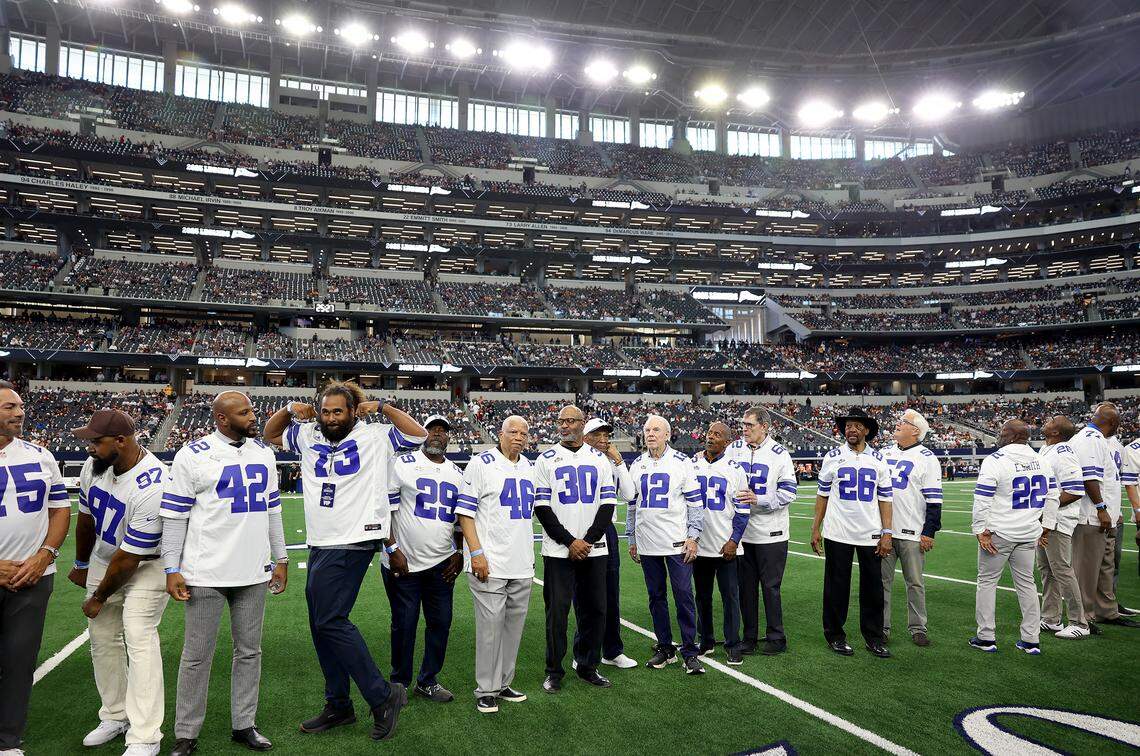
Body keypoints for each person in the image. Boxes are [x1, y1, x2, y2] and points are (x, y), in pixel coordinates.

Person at [264, 381, 427, 741]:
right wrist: (292, 408)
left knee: (331, 620)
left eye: (339, 411)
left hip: (355, 535)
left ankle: (383, 696)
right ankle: (338, 703)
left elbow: (418, 435)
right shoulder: (309, 434)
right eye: (325, 411)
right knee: (321, 624)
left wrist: (382, 406)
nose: (331, 418)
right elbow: (270, 432)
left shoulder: (376, 434)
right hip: (322, 538)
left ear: (354, 411)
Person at [161, 391, 289, 756]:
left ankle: (243, 724)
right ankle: (186, 734)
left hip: (252, 570)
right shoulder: (193, 454)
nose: (253, 417)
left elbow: (273, 511)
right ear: (221, 418)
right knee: (196, 655)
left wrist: (280, 558)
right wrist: (172, 567)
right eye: (244, 412)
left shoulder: (263, 453)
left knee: (250, 651)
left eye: (251, 409)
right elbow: (175, 516)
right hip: (206, 572)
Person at [71, 409, 169, 756]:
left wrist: (98, 596)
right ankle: (115, 715)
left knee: (139, 636)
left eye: (97, 441)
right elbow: (85, 520)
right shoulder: (94, 466)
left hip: (145, 565)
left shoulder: (154, 482)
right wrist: (82, 562)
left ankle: (145, 736)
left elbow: (130, 559)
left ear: (122, 441)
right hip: (104, 558)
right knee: (101, 638)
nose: (90, 448)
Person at [0, 381, 70, 755]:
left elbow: (59, 509)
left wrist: (46, 554)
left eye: (20, 406)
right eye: (9, 407)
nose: (19, 413)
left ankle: (8, 741)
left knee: (19, 660)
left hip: (33, 576)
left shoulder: (41, 455)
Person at [533, 406, 617, 693]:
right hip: (559, 550)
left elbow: (608, 505)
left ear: (583, 424)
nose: (566, 425)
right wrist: (570, 541)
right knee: (557, 612)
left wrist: (588, 541)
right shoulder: (545, 459)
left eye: (571, 421)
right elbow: (541, 507)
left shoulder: (599, 459)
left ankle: (587, 665)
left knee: (595, 610)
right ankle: (554, 670)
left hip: (595, 549)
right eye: (561, 421)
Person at [455, 416, 535, 714]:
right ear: (500, 434)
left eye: (523, 433)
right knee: (490, 629)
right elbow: (465, 513)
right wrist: (476, 553)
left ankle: (503, 683)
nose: (518, 436)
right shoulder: (481, 463)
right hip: (489, 562)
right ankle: (485, 689)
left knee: (513, 629)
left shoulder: (529, 466)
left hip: (521, 562)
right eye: (513, 431)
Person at [382, 414, 464, 704]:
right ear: (422, 434)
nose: (437, 435)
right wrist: (392, 549)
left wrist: (459, 551)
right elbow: (383, 510)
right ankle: (399, 682)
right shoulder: (402, 464)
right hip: (404, 561)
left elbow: (459, 520)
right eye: (432, 429)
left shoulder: (457, 472)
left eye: (443, 431)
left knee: (441, 623)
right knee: (404, 624)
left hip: (442, 563)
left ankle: (427, 680)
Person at [970, 419, 1059, 654]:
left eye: (1002, 432)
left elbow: (982, 499)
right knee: (1027, 584)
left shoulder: (995, 460)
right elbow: (1053, 497)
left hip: (999, 532)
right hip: (1029, 532)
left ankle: (986, 636)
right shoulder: (1042, 460)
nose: (999, 435)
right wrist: (1047, 526)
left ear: (1010, 436)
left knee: (987, 583)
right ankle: (1031, 640)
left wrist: (980, 529)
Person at [810, 410, 894, 658]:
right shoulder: (832, 457)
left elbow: (885, 498)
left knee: (873, 589)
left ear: (867, 430)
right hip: (838, 531)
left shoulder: (878, 460)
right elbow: (822, 495)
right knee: (836, 587)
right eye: (848, 426)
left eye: (857, 425)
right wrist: (816, 528)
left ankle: (874, 637)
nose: (851, 430)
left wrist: (887, 532)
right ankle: (835, 635)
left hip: (870, 532)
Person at [627, 414, 706, 675]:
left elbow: (695, 503)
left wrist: (693, 536)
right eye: (647, 429)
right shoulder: (637, 464)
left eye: (656, 430)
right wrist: (632, 538)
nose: (650, 434)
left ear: (667, 434)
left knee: (684, 596)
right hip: (648, 542)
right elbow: (632, 505)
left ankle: (690, 651)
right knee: (656, 597)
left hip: (676, 542)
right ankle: (664, 646)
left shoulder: (682, 462)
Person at [726, 406, 797, 656]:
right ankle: (749, 637)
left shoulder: (779, 454)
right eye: (743, 425)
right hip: (743, 534)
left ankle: (777, 637)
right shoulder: (733, 449)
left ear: (764, 426)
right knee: (746, 588)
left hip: (771, 532)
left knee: (770, 587)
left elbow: (789, 492)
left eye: (749, 425)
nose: (744, 429)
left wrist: (760, 499)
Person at [1069, 402, 1139, 628]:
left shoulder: (1106, 440)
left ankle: (1106, 611)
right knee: (1087, 570)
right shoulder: (1090, 438)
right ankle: (1084, 617)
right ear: (1114, 422)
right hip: (1093, 515)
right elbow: (1090, 478)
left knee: (1106, 566)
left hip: (1108, 515)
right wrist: (1101, 508)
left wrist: (1113, 512)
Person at [880, 409, 942, 647]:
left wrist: (929, 531)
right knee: (881, 582)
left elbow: (934, 500)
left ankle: (918, 627)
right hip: (884, 531)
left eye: (903, 422)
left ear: (915, 431)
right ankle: (881, 627)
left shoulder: (927, 457)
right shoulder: (883, 453)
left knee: (915, 582)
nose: (897, 424)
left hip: (912, 532)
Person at [580, 417, 637, 668]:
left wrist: (619, 461)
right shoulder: (577, 460)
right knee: (584, 597)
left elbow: (629, 494)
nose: (603, 440)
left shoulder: (611, 463)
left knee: (611, 595)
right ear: (585, 437)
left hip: (607, 530)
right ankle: (582, 652)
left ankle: (612, 651)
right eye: (597, 435)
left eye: (606, 436)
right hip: (580, 529)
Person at [691, 421, 750, 666]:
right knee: (702, 597)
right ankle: (705, 640)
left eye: (717, 435)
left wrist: (734, 540)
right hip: (699, 544)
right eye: (709, 433)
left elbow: (743, 510)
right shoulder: (691, 465)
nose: (711, 437)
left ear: (727, 441)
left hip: (725, 545)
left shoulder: (735, 469)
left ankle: (732, 643)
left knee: (730, 597)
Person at [1036, 416, 1091, 639]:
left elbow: (1075, 490)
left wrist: (1047, 511)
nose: (1045, 421)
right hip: (1044, 520)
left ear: (1056, 432)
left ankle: (1080, 622)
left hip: (1057, 521)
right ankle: (1051, 618)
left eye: (1050, 421)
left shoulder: (1063, 453)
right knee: (1047, 570)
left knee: (1061, 570)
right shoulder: (1045, 450)